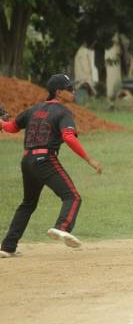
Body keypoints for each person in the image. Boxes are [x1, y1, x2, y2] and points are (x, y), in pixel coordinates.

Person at [0, 73, 103, 258]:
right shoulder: (63, 113)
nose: (73, 92)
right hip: (45, 160)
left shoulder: (33, 110)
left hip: (27, 161)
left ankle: (7, 247)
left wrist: (1, 121)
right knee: (73, 197)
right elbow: (69, 137)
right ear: (59, 92)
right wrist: (90, 160)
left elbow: (10, 127)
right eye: (69, 89)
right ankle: (62, 227)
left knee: (28, 204)